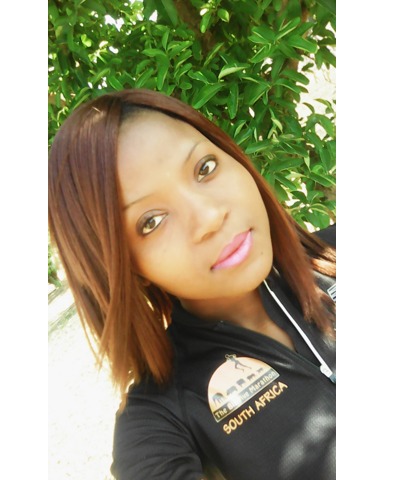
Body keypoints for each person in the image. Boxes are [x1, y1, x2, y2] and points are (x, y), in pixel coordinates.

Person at [48, 88, 336, 480]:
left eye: (205, 168)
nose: (210, 216)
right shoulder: (161, 417)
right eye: (151, 221)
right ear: (126, 266)